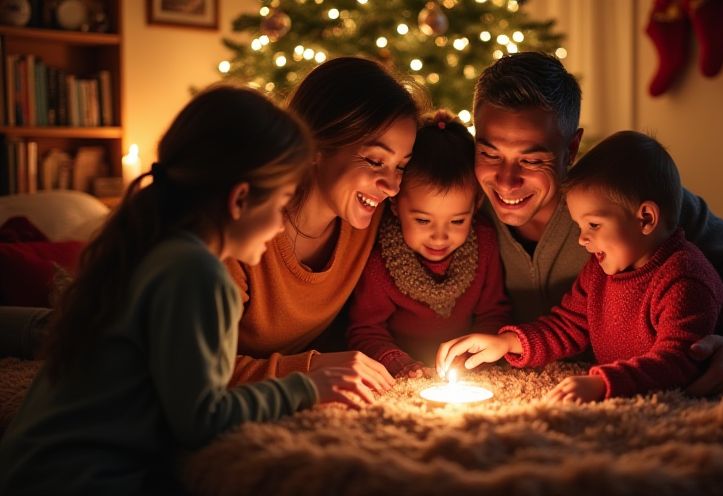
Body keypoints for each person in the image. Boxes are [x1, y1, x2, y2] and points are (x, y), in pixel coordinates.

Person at [0, 86, 375, 495]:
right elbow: (202, 419)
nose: (281, 225)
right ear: (241, 199)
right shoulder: (196, 272)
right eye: (283, 202)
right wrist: (310, 386)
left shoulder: (153, 250)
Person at [468, 52, 723, 396]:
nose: (506, 180)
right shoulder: (458, 211)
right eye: (489, 154)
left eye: (532, 159)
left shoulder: (623, 201)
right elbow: (566, 323)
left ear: (571, 148)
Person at [437, 131, 723, 402]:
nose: (582, 239)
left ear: (645, 218)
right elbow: (568, 325)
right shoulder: (599, 272)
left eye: (593, 224)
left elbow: (679, 361)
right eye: (580, 225)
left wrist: (604, 383)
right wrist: (506, 342)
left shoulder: (684, 278)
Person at [225, 57, 421, 390]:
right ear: (315, 145)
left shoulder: (371, 220)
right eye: (375, 161)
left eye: (401, 166)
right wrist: (313, 368)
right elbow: (195, 374)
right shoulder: (241, 230)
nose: (391, 187)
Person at [346, 111, 510, 378]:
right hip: (405, 371)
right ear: (396, 205)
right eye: (423, 220)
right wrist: (399, 362)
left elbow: (494, 313)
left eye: (457, 221)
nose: (439, 236)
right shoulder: (381, 260)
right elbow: (365, 330)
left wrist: (472, 357)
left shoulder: (484, 242)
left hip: (462, 369)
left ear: (476, 206)